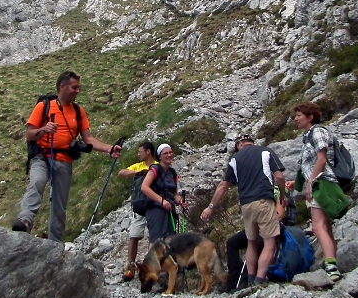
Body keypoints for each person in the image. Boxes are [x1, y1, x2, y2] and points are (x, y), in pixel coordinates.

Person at [12, 70, 122, 242]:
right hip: (42, 156)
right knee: (37, 182)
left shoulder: (78, 111)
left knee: (59, 205)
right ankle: (25, 221)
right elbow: (29, 134)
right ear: (62, 86)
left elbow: (88, 139)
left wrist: (109, 149)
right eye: (74, 87)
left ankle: (55, 243)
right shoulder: (44, 106)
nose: (78, 91)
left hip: (64, 160)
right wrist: (44, 129)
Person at [201, 135, 287, 287]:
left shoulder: (235, 159)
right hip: (263, 200)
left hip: (246, 205)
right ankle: (260, 280)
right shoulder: (265, 151)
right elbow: (279, 176)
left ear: (240, 144)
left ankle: (250, 279)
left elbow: (223, 185)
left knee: (251, 243)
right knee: (269, 242)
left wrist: (211, 207)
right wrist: (282, 195)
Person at [294, 101, 342, 282]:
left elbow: (321, 160)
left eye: (299, 115)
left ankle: (331, 267)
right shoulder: (307, 136)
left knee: (317, 225)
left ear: (310, 117)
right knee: (325, 225)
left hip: (321, 183)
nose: (295, 119)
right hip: (318, 182)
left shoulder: (317, 132)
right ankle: (332, 262)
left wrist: (311, 182)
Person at [118, 140, 156, 281]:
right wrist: (137, 171)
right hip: (139, 205)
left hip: (153, 205)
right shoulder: (139, 166)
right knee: (134, 235)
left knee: (153, 237)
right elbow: (121, 173)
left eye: (140, 151)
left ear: (148, 152)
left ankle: (148, 267)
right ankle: (131, 266)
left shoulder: (157, 166)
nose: (138, 154)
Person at [140, 143, 184, 242]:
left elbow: (174, 194)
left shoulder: (172, 173)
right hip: (155, 209)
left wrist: (180, 201)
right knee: (156, 241)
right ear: (160, 156)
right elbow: (144, 187)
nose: (169, 155)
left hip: (170, 210)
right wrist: (162, 201)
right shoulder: (154, 169)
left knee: (171, 241)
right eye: (165, 153)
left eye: (170, 152)